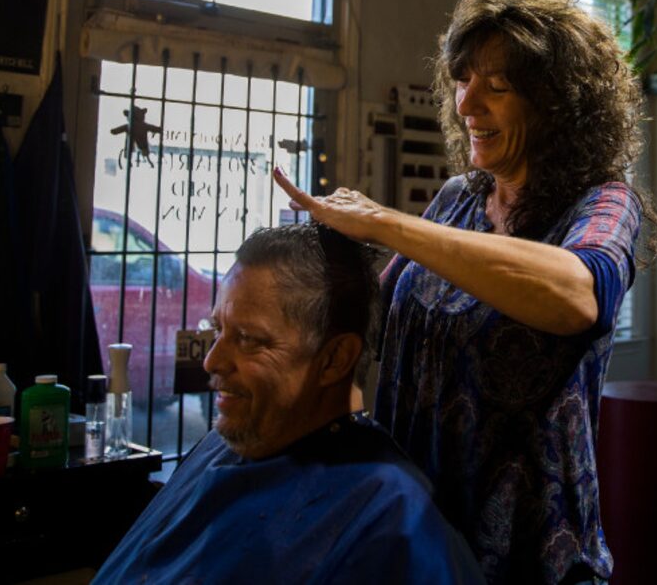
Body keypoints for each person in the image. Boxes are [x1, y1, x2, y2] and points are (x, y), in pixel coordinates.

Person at [273, 0, 657, 585]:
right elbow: (375, 316)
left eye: (497, 87)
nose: (466, 104)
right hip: (419, 536)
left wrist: (386, 223)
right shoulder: (457, 200)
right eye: (462, 79)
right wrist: (265, 328)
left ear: (556, 104)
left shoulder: (606, 206)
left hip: (531, 558)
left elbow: (578, 294)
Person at [92, 223, 484, 585]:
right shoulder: (219, 446)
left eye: (249, 339)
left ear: (334, 359)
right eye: (218, 330)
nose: (212, 361)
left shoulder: (392, 520)